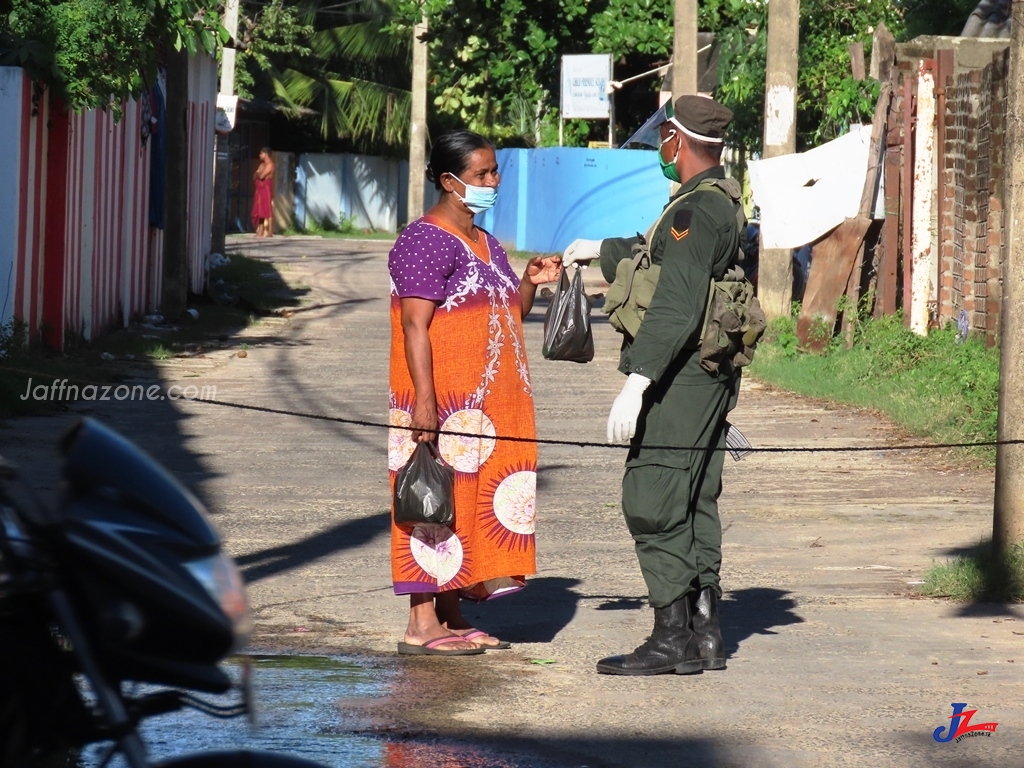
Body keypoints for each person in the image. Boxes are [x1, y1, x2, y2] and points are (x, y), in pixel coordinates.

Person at [561, 95, 743, 676]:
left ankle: (670, 637)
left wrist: (637, 381)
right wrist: (599, 250)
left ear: (675, 138)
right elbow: (657, 260)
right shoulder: (712, 200)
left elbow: (677, 304)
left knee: (653, 497)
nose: (660, 151)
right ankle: (704, 632)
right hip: (705, 373)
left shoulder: (696, 211)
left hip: (680, 374)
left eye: (662, 140)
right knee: (693, 496)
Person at [387, 130, 560, 656]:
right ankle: (421, 622)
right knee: (431, 500)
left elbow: (511, 314)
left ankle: (453, 612)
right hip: (445, 403)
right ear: (448, 180)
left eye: (493, 171)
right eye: (482, 174)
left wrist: (528, 280)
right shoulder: (422, 239)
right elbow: (415, 327)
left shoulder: (488, 242)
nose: (493, 182)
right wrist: (424, 401)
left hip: (492, 409)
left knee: (467, 502)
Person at [251, 147, 275, 237]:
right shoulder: (261, 165)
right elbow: (254, 176)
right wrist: (258, 173)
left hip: (266, 188)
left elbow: (261, 176)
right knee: (259, 208)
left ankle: (270, 231)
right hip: (259, 189)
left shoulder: (270, 164)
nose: (259, 155)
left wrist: (258, 173)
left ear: (265, 154)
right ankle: (260, 231)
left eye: (261, 153)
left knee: (267, 208)